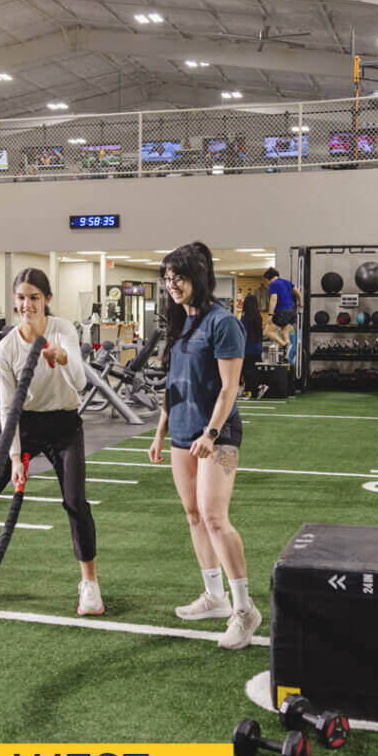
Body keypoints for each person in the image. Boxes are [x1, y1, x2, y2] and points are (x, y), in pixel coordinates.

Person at [0, 267, 104, 616]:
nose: (27, 305)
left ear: (47, 300)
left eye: (34, 298)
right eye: (21, 299)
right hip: (24, 424)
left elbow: (81, 383)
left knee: (75, 501)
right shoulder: (8, 347)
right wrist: (15, 457)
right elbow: (10, 407)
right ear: (15, 303)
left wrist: (63, 359)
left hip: (64, 424)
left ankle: (89, 585)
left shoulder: (63, 331)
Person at [148, 241, 261, 650]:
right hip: (181, 434)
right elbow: (174, 385)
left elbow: (230, 387)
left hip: (221, 437)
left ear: (198, 277)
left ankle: (245, 610)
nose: (171, 285)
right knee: (194, 515)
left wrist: (211, 433)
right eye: (167, 278)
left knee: (215, 517)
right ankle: (214, 596)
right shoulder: (179, 323)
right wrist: (160, 430)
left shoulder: (223, 323)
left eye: (178, 277)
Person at [263, 266, 302, 360]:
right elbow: (297, 291)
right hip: (292, 312)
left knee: (267, 331)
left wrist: (270, 315)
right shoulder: (286, 282)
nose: (267, 283)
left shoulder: (273, 284)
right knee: (284, 332)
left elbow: (273, 299)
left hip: (282, 312)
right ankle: (287, 355)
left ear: (269, 278)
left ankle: (284, 345)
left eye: (266, 281)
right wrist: (300, 302)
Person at [240, 293, 266, 399]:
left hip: (247, 348)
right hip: (257, 347)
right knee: (255, 370)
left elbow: (243, 333)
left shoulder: (245, 318)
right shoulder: (258, 317)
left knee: (246, 371)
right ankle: (252, 391)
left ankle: (257, 387)